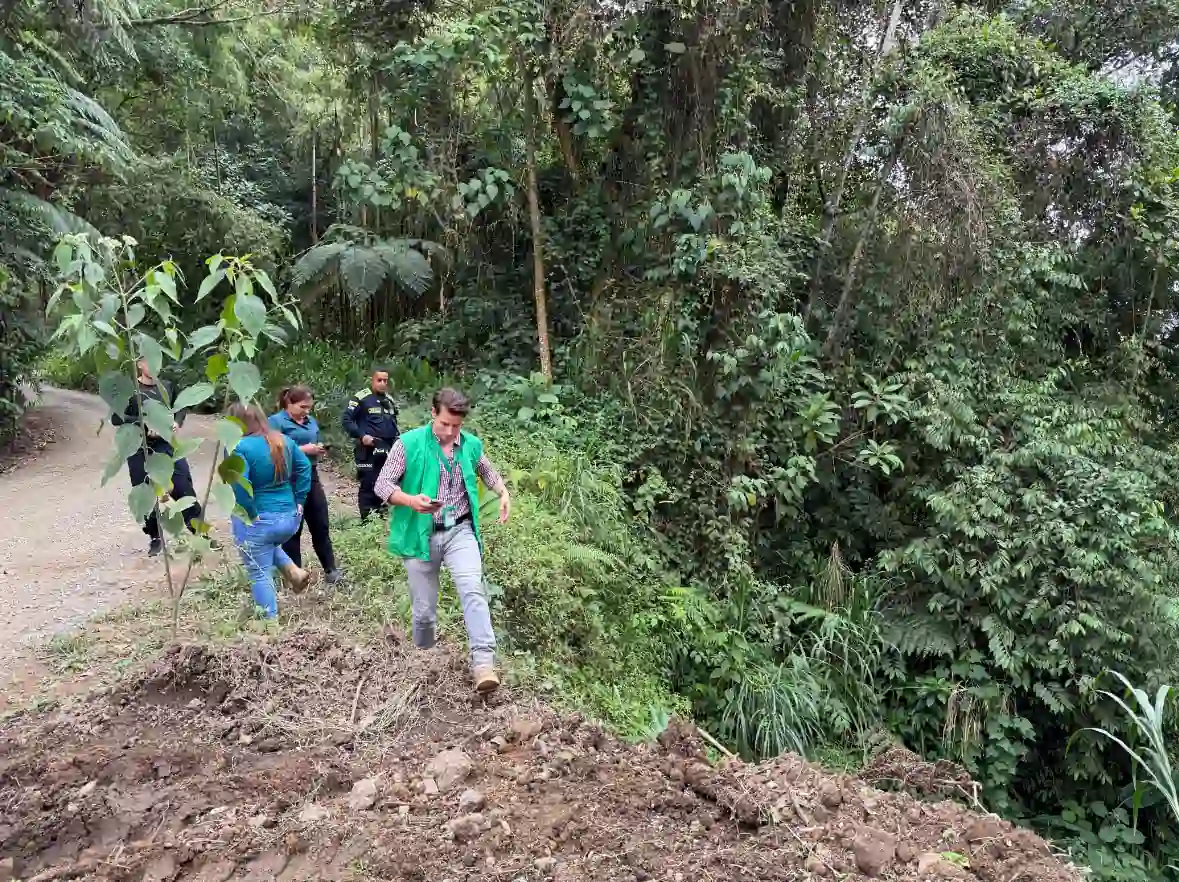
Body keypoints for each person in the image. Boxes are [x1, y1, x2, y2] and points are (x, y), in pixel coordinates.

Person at [373, 387, 511, 694]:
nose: (450, 432)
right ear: (433, 414)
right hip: (419, 534)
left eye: (456, 426)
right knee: (423, 612)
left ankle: (484, 664)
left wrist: (503, 493)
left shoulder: (470, 445)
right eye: (444, 424)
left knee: (472, 588)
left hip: (459, 531)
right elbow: (382, 485)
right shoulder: (408, 444)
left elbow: (486, 470)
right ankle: (424, 658)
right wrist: (411, 501)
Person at [227, 402, 313, 618]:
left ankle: (269, 624)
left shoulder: (239, 447)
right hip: (290, 518)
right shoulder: (283, 440)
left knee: (259, 571)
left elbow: (240, 485)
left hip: (262, 519)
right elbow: (305, 467)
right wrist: (300, 498)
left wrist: (250, 511)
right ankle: (293, 570)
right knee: (263, 545)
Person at [112, 357, 203, 556]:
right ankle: (155, 537)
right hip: (137, 446)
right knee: (144, 491)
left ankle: (199, 531)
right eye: (148, 362)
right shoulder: (130, 390)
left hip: (166, 443)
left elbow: (180, 407)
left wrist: (177, 422)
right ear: (139, 364)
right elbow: (116, 417)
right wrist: (144, 423)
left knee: (182, 485)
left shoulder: (166, 387)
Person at [269, 386, 343, 584]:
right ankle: (294, 575)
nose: (307, 411)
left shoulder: (311, 421)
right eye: (302, 407)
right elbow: (272, 452)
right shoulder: (276, 422)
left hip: (310, 475)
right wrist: (303, 449)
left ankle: (331, 570)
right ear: (289, 404)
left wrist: (317, 450)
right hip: (287, 479)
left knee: (321, 523)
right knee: (293, 528)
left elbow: (312, 443)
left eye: (309, 407)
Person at [342, 366, 400, 521]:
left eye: (385, 380)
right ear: (372, 380)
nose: (382, 383)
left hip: (387, 448)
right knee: (369, 483)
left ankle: (380, 515)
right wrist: (362, 436)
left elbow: (393, 423)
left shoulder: (389, 400)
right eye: (379, 380)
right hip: (368, 449)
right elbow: (347, 420)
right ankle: (367, 520)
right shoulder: (361, 398)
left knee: (384, 481)